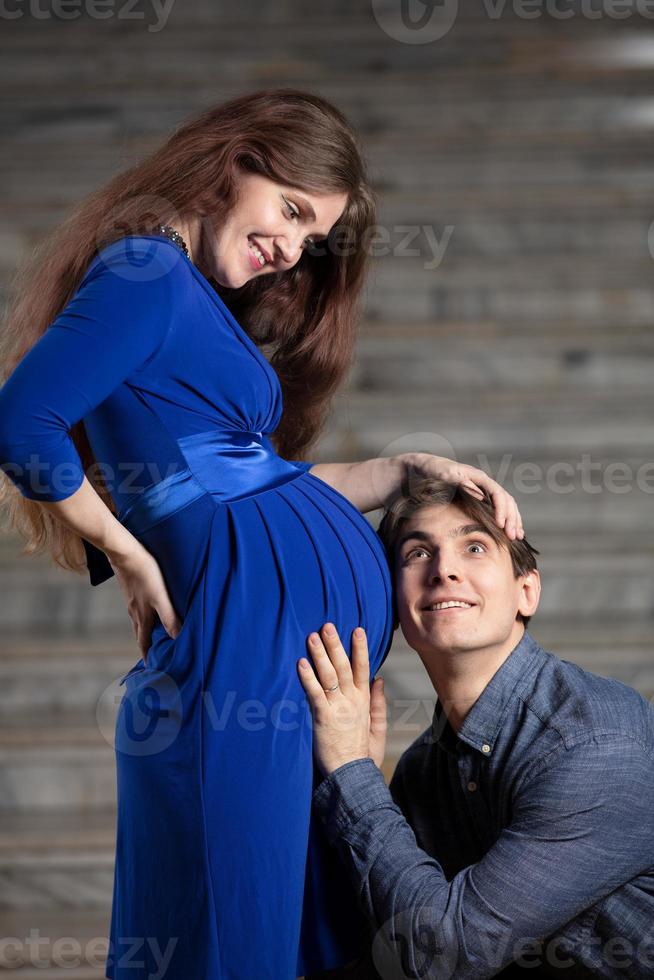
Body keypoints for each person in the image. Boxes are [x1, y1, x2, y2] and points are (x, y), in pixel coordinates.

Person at [0, 90, 524, 980]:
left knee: (291, 907)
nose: (292, 248)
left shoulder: (187, 296)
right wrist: (125, 551)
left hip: (279, 661)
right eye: (290, 210)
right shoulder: (144, 273)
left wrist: (404, 472)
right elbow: (21, 422)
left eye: (312, 237)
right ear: (233, 161)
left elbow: (254, 476)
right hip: (238, 651)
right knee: (233, 910)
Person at [298, 478, 654, 979]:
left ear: (525, 592)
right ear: (393, 604)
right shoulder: (426, 768)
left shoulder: (595, 746)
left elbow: (443, 953)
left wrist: (353, 772)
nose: (444, 570)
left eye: (474, 547)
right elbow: (386, 941)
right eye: (418, 553)